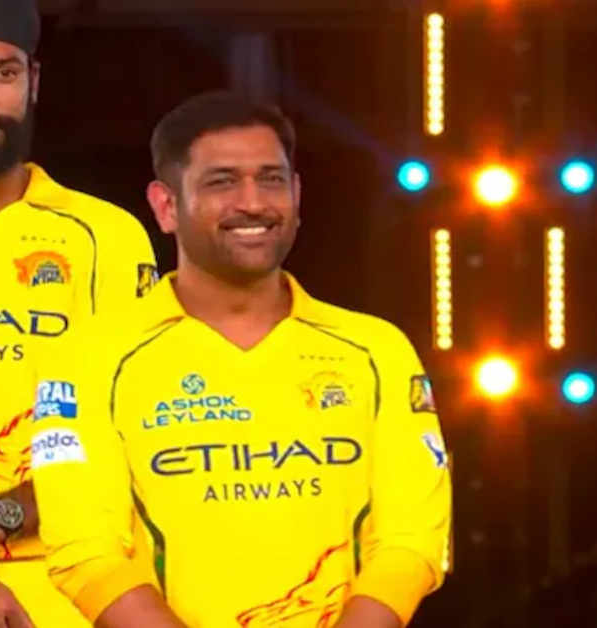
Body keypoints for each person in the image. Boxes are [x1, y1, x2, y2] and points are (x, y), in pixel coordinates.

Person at [30, 91, 451, 628]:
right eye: (222, 182)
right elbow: (86, 552)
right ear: (165, 206)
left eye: (271, 179)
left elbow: (412, 540)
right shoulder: (88, 356)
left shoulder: (376, 349)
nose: (253, 203)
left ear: (297, 194)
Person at [0, 0, 156, 625]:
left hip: (67, 593)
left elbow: (139, 427)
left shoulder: (106, 238)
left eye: (4, 73)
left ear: (33, 81)